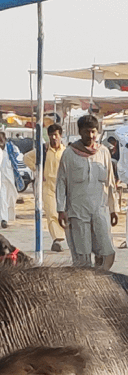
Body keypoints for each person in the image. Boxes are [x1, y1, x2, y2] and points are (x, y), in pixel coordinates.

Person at [56, 114, 118, 269]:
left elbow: (110, 183)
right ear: (80, 132)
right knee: (82, 259)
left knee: (107, 253)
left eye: (93, 132)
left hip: (100, 212)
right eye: (87, 132)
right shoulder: (69, 153)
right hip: (77, 213)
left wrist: (113, 209)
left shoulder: (103, 152)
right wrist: (60, 209)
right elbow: (61, 183)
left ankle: (100, 283)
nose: (90, 136)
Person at [24, 122, 66, 252]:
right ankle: (57, 239)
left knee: (65, 214)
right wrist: (37, 170)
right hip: (48, 187)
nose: (54, 138)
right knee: (51, 213)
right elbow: (26, 158)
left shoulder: (66, 152)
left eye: (56, 135)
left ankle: (68, 237)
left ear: (60, 136)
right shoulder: (43, 150)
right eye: (51, 135)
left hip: (63, 187)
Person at [0, 130, 23, 228]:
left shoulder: (10, 148)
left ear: (5, 139)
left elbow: (17, 154)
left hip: (10, 177)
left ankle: (8, 216)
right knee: (2, 198)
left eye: (1, 138)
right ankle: (3, 219)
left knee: (12, 197)